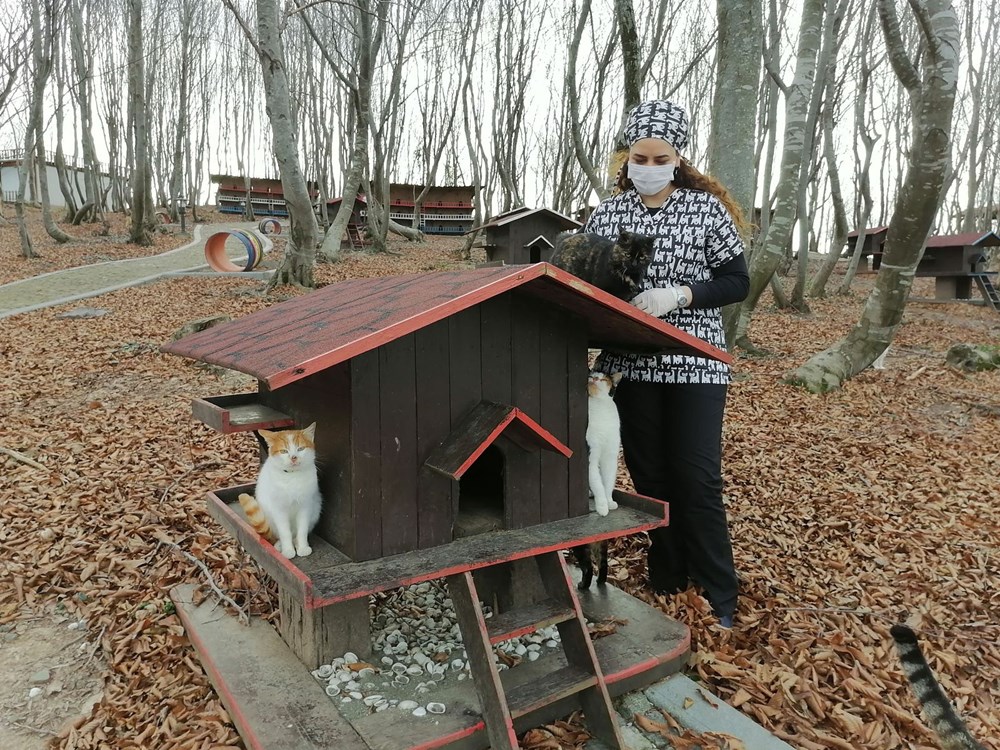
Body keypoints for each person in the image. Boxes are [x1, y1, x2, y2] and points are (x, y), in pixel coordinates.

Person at [583, 99, 750, 628]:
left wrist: (681, 295)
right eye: (640, 157)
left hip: (694, 360)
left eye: (660, 158)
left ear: (678, 159)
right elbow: (589, 280)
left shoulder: (704, 211)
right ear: (626, 157)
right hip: (629, 362)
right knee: (650, 473)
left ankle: (719, 591)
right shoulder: (608, 214)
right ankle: (668, 575)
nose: (648, 167)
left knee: (696, 476)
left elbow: (736, 280)